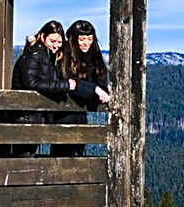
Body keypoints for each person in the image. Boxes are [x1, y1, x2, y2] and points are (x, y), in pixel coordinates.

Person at [10, 20, 97, 157]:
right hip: (27, 115)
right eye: (52, 41)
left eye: (59, 42)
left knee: (26, 155)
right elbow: (32, 83)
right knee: (23, 155)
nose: (56, 45)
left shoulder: (47, 55)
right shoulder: (34, 54)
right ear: (43, 37)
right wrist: (66, 85)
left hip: (35, 115)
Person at [52, 19, 110, 157]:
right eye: (82, 39)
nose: (86, 43)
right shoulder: (65, 53)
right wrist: (93, 90)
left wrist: (100, 92)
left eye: (89, 39)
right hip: (63, 112)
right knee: (62, 152)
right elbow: (67, 80)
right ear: (74, 39)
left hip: (81, 113)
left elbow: (102, 81)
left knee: (78, 152)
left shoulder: (95, 55)